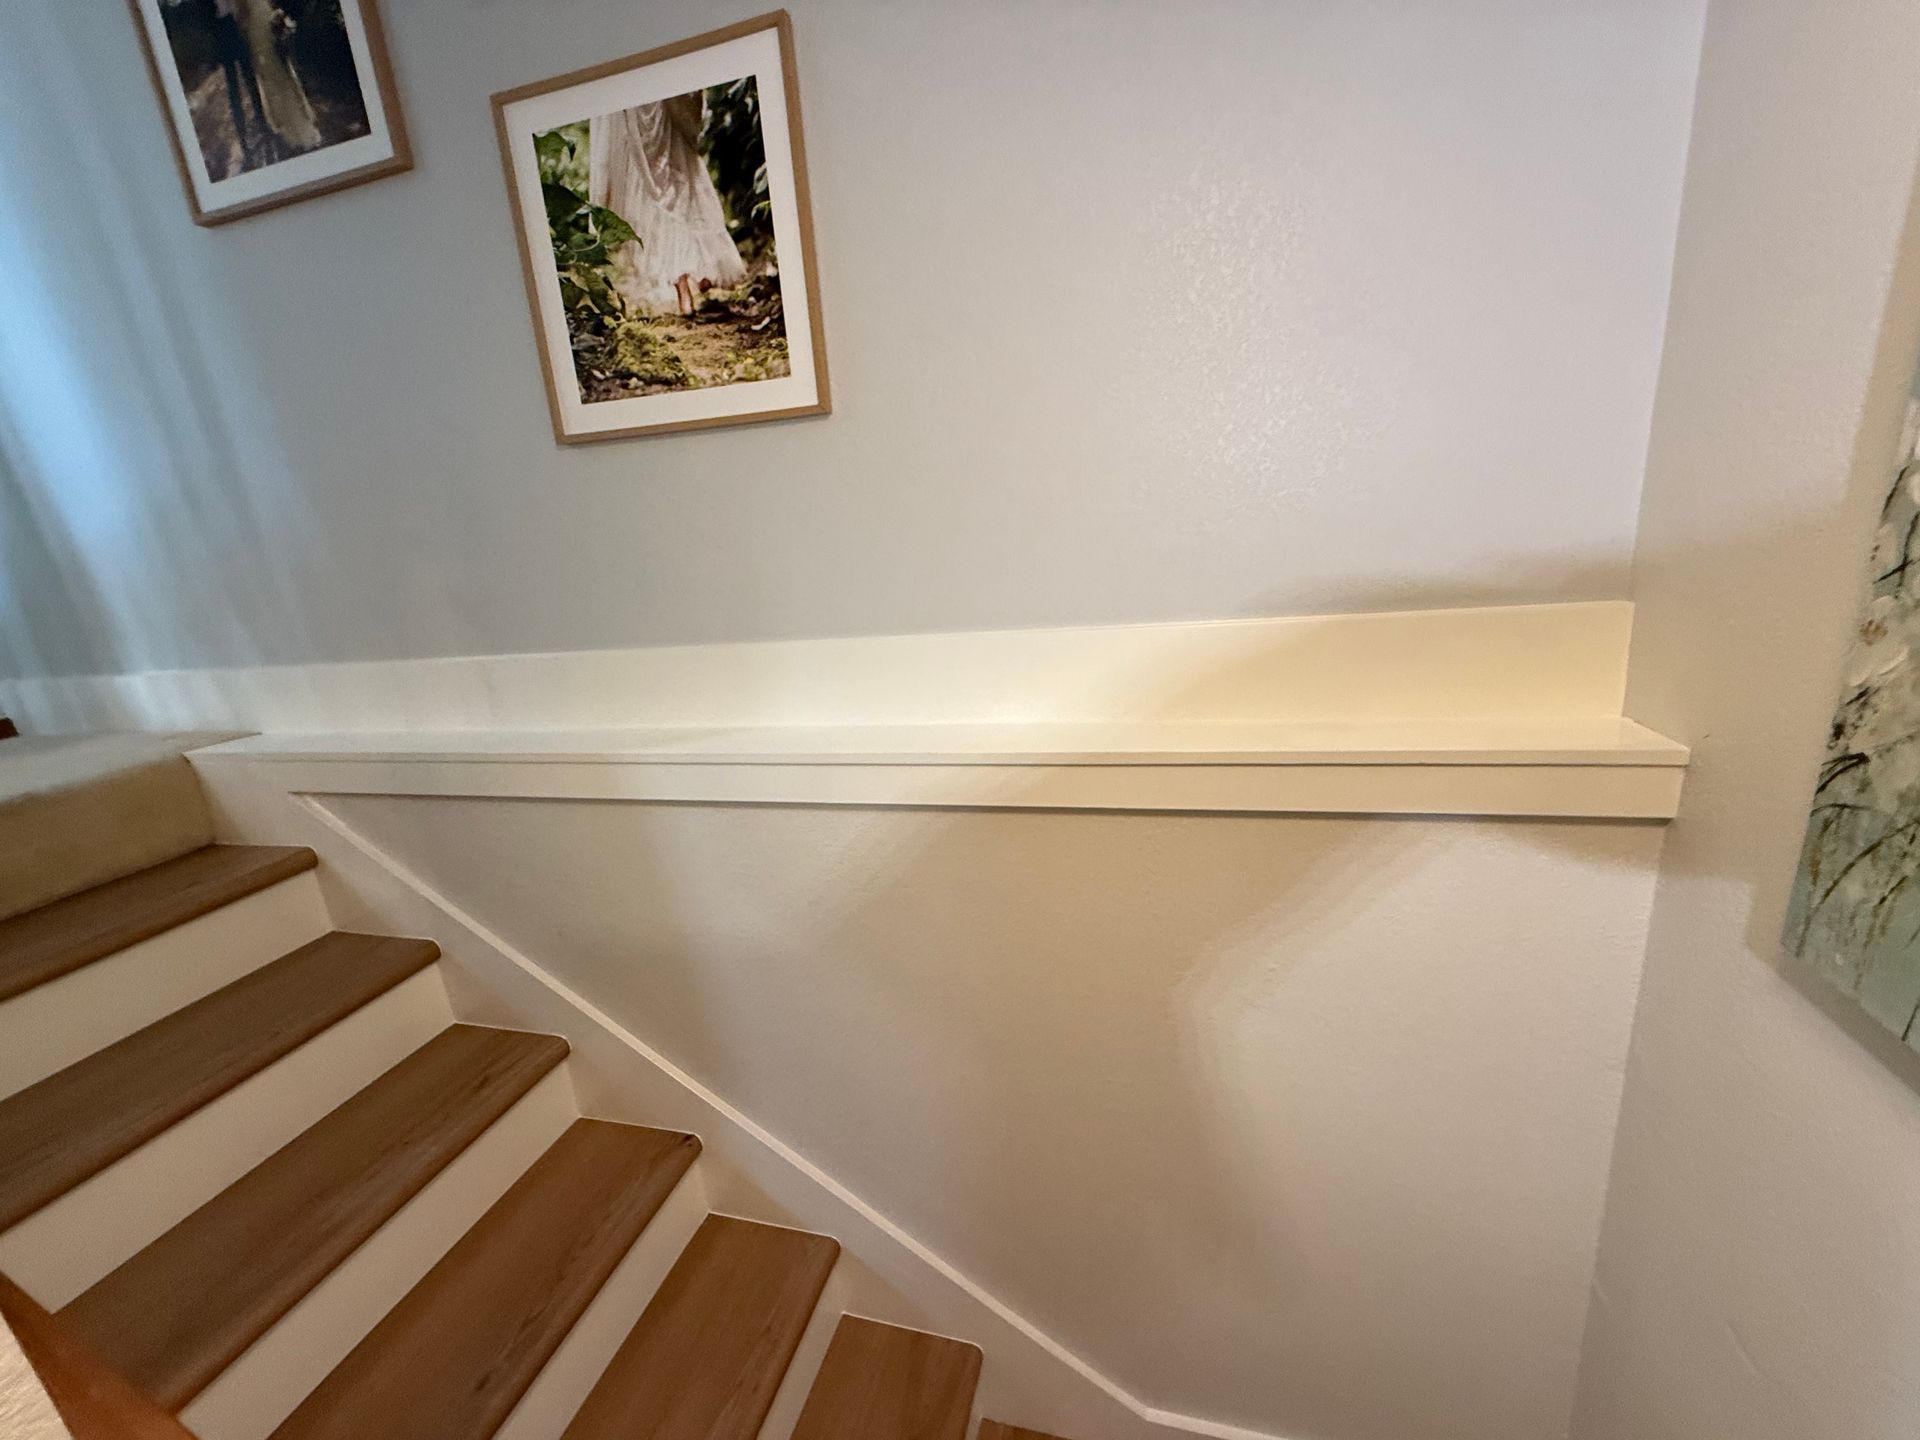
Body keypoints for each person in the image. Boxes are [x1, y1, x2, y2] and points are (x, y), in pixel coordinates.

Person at [589, 93, 747, 315]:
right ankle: (687, 277)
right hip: (641, 108)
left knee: (669, 184)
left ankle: (691, 273)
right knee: (670, 184)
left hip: (651, 105)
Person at [212, 0, 322, 170]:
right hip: (263, 12)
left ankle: (295, 130)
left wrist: (242, 25)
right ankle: (297, 121)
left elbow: (241, 7)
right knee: (281, 70)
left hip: (254, 21)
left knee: (273, 75)